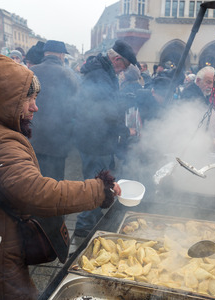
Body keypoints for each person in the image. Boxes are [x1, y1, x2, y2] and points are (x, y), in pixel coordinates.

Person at [0, 54, 121, 299]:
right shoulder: (0, 140)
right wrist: (98, 189)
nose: (35, 106)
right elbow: (36, 192)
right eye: (27, 98)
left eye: (35, 98)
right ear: (6, 100)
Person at [73, 39, 137, 238]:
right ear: (116, 59)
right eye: (123, 66)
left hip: (95, 139)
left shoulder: (100, 71)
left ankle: (90, 220)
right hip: (95, 141)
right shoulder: (100, 75)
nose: (122, 71)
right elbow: (106, 111)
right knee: (96, 185)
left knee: (97, 183)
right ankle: (84, 228)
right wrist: (126, 131)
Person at [29, 40, 78, 180]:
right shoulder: (68, 75)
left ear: (45, 53)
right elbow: (75, 107)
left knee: (35, 179)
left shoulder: (31, 72)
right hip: (57, 141)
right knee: (54, 184)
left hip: (34, 137)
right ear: (61, 55)